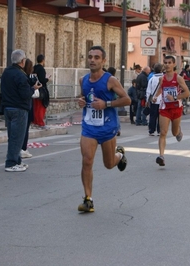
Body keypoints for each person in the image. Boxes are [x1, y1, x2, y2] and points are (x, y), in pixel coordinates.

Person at [77, 45, 131, 212]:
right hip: (89, 128)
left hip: (107, 128)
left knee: (108, 164)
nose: (92, 60)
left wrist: (106, 104)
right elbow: (83, 97)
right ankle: (88, 199)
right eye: (90, 56)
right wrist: (80, 100)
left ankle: (120, 154)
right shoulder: (83, 80)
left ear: (103, 60)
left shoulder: (110, 80)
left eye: (96, 57)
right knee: (87, 161)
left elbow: (127, 100)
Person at [1, 49, 40, 172]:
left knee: (13, 136)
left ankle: (17, 160)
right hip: (19, 109)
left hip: (8, 108)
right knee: (17, 137)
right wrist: (33, 88)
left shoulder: (6, 72)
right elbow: (25, 94)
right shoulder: (20, 75)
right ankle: (11, 163)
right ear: (22, 61)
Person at [153, 55, 190, 166]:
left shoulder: (178, 78)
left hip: (176, 108)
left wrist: (174, 98)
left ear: (174, 64)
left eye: (169, 62)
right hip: (164, 108)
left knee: (174, 133)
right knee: (163, 132)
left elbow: (187, 93)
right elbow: (160, 88)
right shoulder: (162, 78)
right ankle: (161, 156)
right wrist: (155, 96)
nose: (167, 64)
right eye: (165, 62)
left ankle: (178, 130)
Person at [20, 58, 37, 159]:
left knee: (19, 130)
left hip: (19, 105)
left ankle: (19, 149)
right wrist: (34, 88)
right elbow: (27, 93)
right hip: (25, 105)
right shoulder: (26, 78)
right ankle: (23, 149)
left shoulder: (22, 76)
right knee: (24, 128)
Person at [32, 54, 51, 129]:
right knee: (41, 106)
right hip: (41, 90)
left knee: (35, 106)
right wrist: (47, 79)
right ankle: (40, 122)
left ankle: (35, 121)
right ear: (43, 60)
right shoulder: (41, 69)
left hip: (34, 89)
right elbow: (43, 80)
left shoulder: (34, 68)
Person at [146, 63, 163, 136]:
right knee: (161, 117)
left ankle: (151, 130)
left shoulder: (152, 79)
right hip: (162, 101)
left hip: (153, 100)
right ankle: (160, 131)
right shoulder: (164, 78)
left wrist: (147, 100)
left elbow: (148, 91)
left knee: (152, 116)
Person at [107, 66, 121, 136]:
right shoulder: (115, 80)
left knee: (111, 114)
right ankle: (117, 129)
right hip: (114, 98)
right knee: (115, 114)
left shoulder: (108, 80)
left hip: (109, 98)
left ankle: (116, 129)